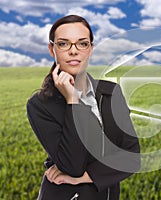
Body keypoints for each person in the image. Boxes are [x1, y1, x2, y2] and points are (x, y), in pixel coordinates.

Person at [26, 15, 140, 200]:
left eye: (82, 44)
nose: (73, 51)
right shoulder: (39, 105)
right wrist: (73, 101)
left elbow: (132, 158)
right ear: (51, 49)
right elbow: (72, 165)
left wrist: (82, 178)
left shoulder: (111, 93)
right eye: (63, 44)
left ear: (91, 49)